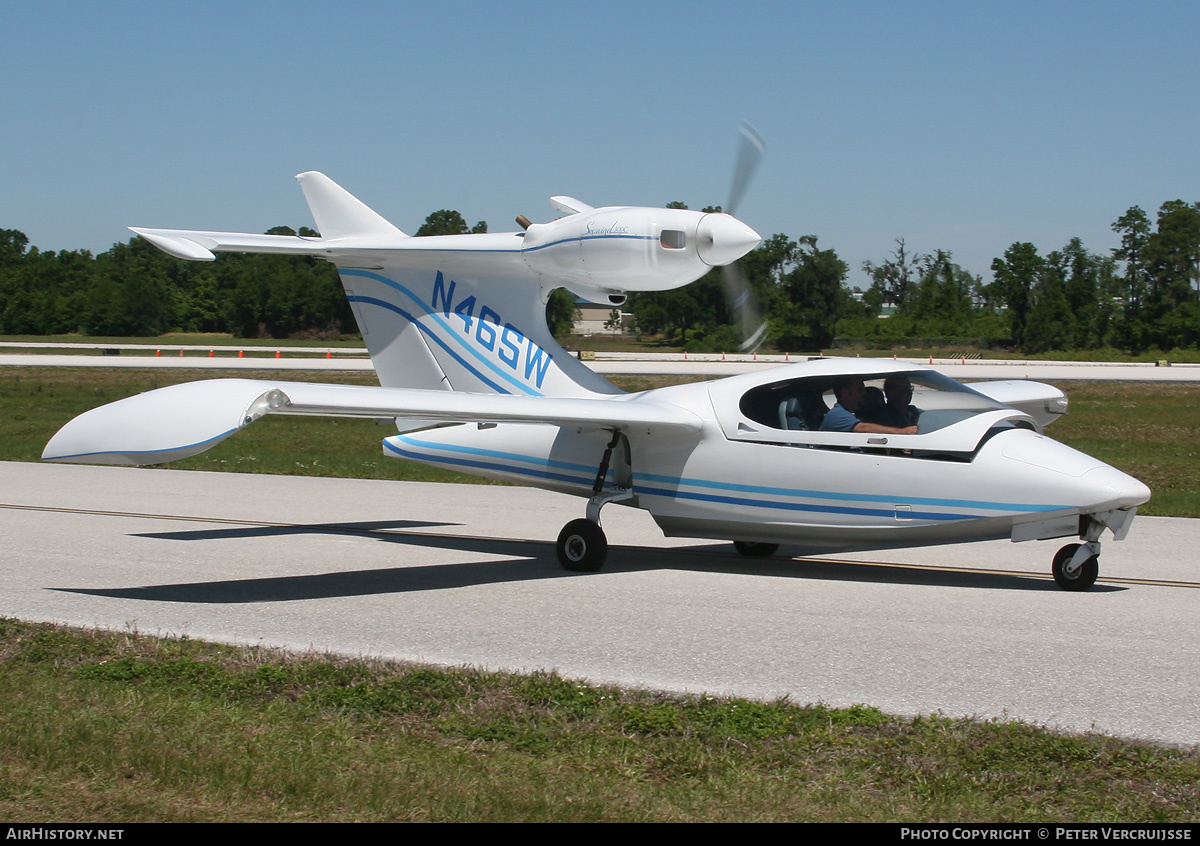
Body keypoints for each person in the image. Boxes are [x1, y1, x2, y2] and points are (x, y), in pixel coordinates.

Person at [819, 376, 918, 435]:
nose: (864, 394)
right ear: (845, 392)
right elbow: (862, 428)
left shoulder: (913, 411)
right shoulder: (836, 414)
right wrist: (902, 432)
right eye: (860, 390)